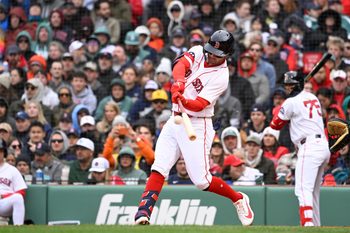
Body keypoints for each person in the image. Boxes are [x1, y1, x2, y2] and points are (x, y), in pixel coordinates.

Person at [134, 30, 254, 226]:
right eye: (211, 52)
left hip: (198, 123)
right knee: (159, 167)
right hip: (176, 120)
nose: (213, 56)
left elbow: (198, 104)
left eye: (218, 55)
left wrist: (181, 98)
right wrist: (178, 83)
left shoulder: (221, 76)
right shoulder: (199, 51)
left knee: (202, 181)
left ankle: (238, 198)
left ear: (227, 56)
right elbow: (180, 64)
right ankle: (143, 213)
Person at [270, 71, 330, 226]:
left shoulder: (291, 102)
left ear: (296, 85)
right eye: (286, 85)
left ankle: (308, 224)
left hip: (309, 147)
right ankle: (316, 226)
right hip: (322, 146)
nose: (287, 88)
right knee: (313, 192)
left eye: (290, 85)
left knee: (303, 189)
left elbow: (275, 125)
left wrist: (280, 109)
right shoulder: (312, 96)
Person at [0, 139, 27, 225]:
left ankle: (18, 228)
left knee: (18, 197)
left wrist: (3, 196)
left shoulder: (12, 170)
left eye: (0, 150)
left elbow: (21, 192)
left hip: (4, 203)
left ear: (4, 152)